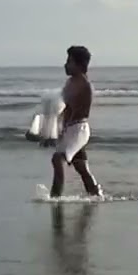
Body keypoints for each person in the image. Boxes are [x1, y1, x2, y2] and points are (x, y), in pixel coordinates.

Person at [50, 45, 103, 199]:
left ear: (79, 65)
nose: (65, 65)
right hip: (70, 130)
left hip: (79, 129)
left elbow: (76, 110)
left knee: (57, 159)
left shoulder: (84, 85)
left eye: (69, 61)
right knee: (81, 167)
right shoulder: (70, 83)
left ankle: (55, 199)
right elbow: (64, 109)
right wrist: (57, 129)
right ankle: (96, 195)